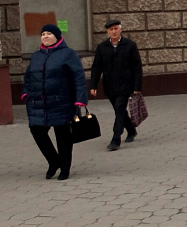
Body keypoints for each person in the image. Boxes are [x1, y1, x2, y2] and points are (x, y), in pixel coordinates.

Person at [22, 24, 88, 181]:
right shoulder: (36, 56)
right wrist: (26, 92)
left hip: (62, 101)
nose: (45, 36)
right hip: (38, 102)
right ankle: (53, 161)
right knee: (37, 130)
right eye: (43, 34)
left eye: (49, 33)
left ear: (57, 37)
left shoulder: (68, 54)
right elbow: (28, 77)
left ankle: (65, 168)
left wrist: (80, 99)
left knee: (63, 136)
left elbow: (78, 77)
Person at [91, 20, 143, 151]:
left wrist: (137, 87)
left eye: (116, 29)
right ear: (107, 32)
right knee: (119, 111)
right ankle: (131, 130)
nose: (113, 31)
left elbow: (137, 67)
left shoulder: (130, 45)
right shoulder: (102, 47)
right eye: (111, 29)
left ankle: (116, 138)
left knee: (119, 109)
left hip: (126, 84)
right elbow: (97, 67)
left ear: (121, 30)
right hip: (110, 85)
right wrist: (93, 85)